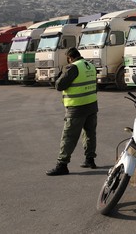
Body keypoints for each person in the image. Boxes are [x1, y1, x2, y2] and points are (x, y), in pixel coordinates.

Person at [46, 47, 98, 176]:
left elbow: (59, 85)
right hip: (91, 105)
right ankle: (90, 160)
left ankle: (62, 165)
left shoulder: (73, 68)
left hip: (77, 108)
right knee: (90, 134)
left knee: (69, 136)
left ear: (70, 58)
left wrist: (60, 76)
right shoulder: (90, 66)